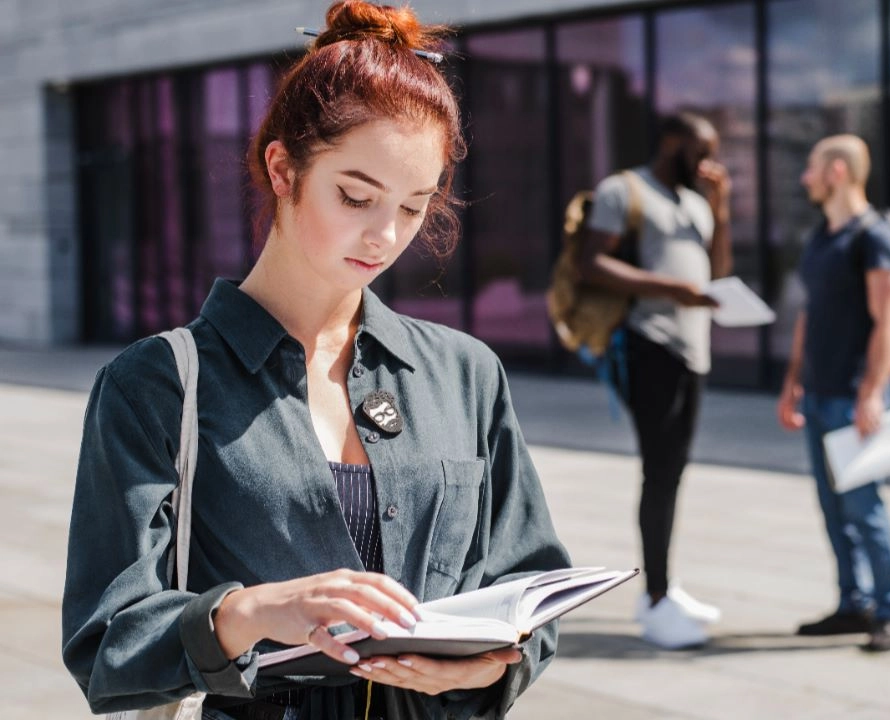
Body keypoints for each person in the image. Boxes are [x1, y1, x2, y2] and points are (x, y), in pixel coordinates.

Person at [61, 3, 571, 718]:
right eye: (356, 196)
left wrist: (477, 671)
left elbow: (534, 583)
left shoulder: (466, 372)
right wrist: (252, 611)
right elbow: (107, 642)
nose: (386, 235)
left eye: (415, 206)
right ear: (282, 168)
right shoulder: (156, 384)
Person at [577, 112, 733, 649]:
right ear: (671, 142)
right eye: (700, 150)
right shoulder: (624, 190)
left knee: (674, 472)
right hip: (650, 347)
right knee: (660, 470)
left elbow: (717, 274)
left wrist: (722, 210)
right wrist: (671, 290)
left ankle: (666, 587)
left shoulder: (694, 202)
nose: (708, 162)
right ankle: (656, 602)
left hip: (693, 351)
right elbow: (589, 263)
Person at [776, 134, 890, 652]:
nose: (805, 178)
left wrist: (872, 393)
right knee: (833, 508)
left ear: (836, 171)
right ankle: (852, 603)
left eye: (811, 168)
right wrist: (793, 379)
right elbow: (810, 314)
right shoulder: (822, 237)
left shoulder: (878, 238)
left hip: (855, 398)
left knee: (864, 508)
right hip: (818, 393)